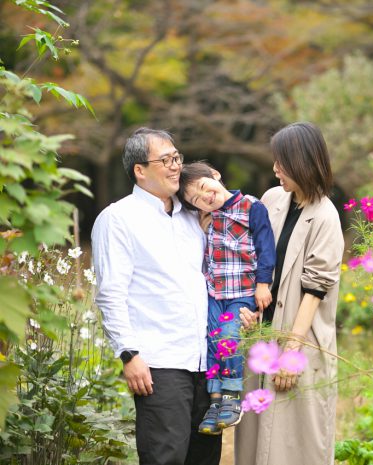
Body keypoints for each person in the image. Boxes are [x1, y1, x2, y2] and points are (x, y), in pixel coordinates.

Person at [91, 128, 221, 465]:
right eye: (166, 160)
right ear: (140, 170)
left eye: (177, 157)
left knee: (204, 458)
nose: (176, 166)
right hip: (159, 365)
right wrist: (129, 353)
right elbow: (111, 294)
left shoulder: (194, 217)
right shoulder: (118, 219)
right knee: (166, 458)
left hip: (205, 364)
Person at [235, 122, 344, 465]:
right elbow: (253, 262)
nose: (275, 169)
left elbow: (315, 290)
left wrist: (291, 354)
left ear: (301, 162)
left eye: (281, 162)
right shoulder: (271, 199)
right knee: (255, 440)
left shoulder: (326, 217)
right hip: (263, 337)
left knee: (296, 445)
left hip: (300, 340)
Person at [177, 161, 275, 435]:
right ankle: (215, 400)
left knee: (229, 337)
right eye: (197, 200)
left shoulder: (251, 207)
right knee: (211, 343)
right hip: (214, 294)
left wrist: (263, 284)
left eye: (204, 188)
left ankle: (232, 395)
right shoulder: (207, 219)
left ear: (216, 175)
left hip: (242, 292)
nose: (206, 198)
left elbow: (266, 247)